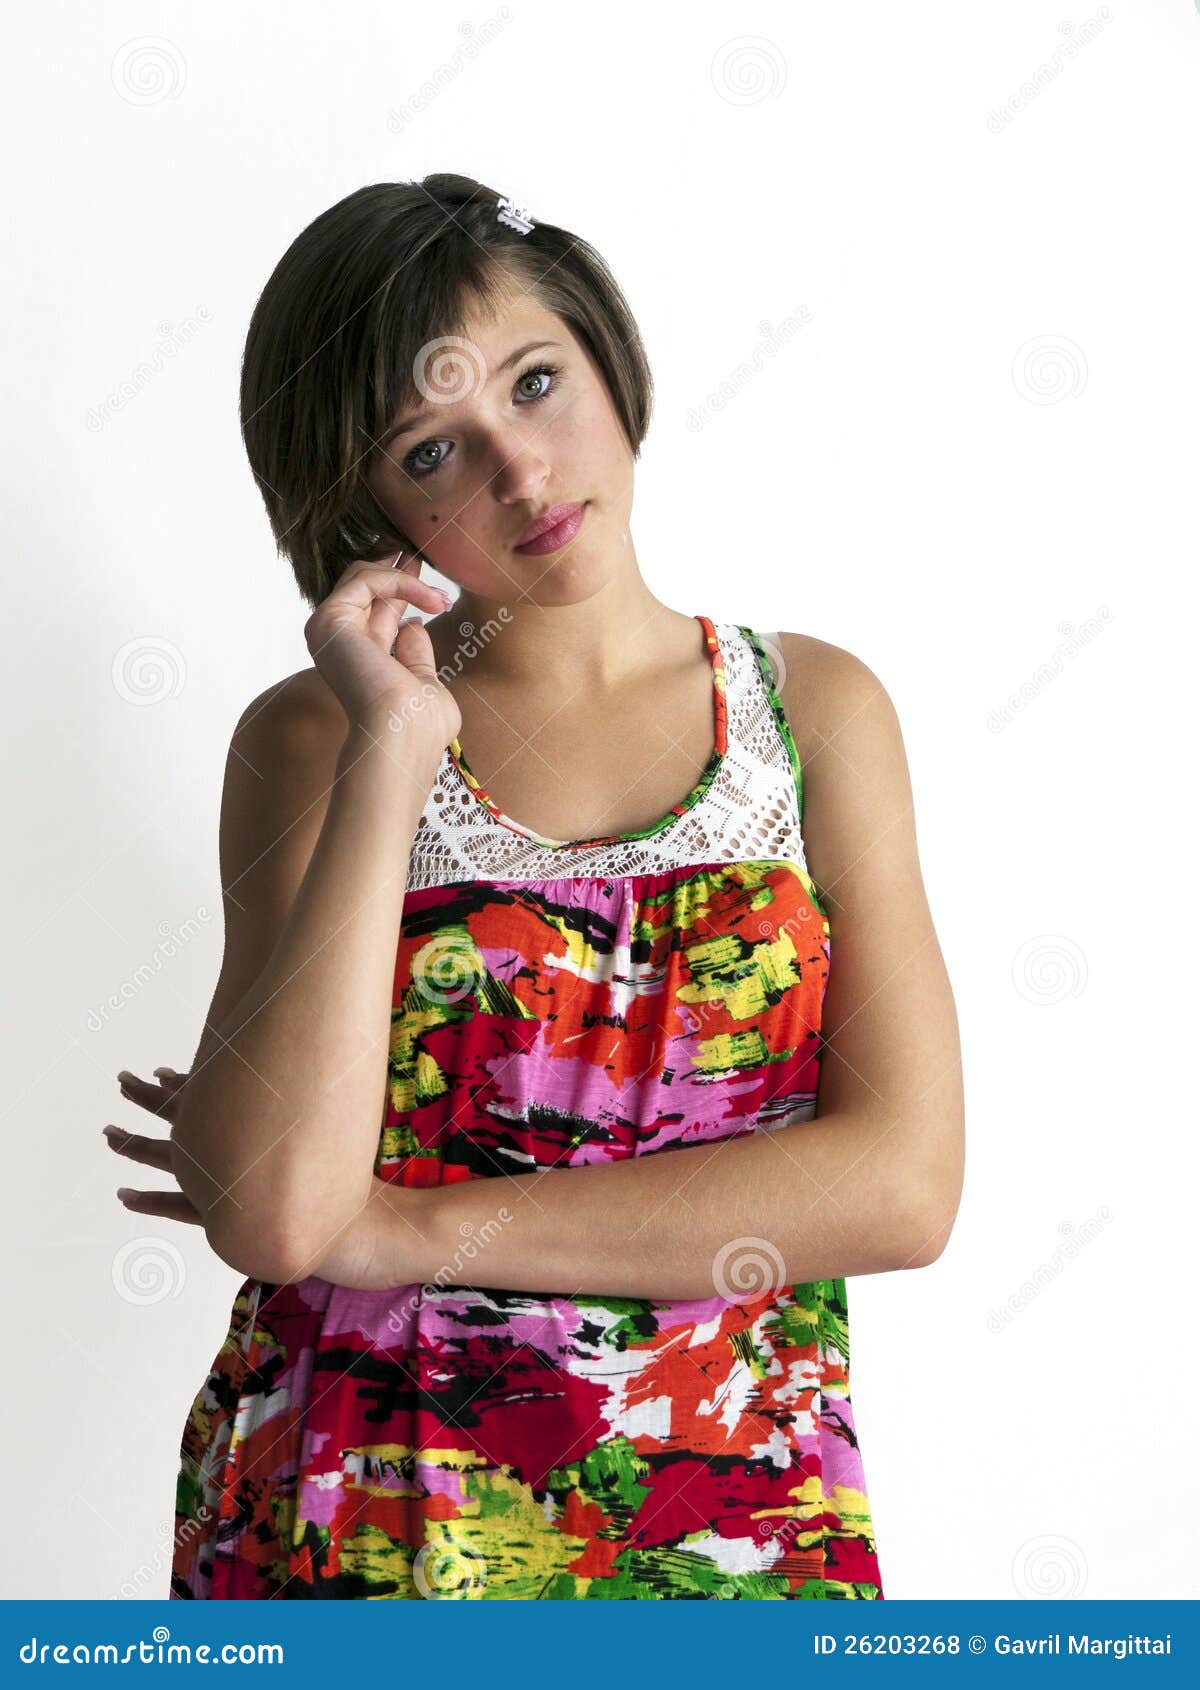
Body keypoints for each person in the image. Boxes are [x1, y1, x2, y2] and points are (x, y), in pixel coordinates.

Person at [107, 174, 964, 1600]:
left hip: (737, 1519)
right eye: (431, 452)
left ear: (610, 360)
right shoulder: (314, 739)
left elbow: (902, 1184)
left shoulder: (811, 709)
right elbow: (270, 1214)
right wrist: (396, 746)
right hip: (366, 1515)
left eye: (537, 381)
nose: (519, 469)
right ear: (364, 509)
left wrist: (406, 1226)